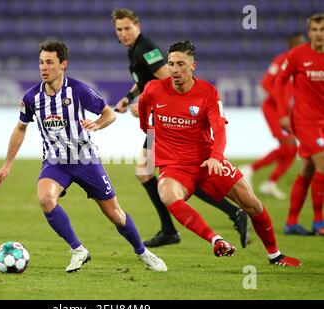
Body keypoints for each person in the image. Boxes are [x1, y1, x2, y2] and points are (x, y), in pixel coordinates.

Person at [0, 41, 167, 273]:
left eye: (50, 62)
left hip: (85, 161)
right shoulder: (32, 97)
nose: (44, 67)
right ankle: (78, 250)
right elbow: (21, 127)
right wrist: (7, 165)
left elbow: (109, 114)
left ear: (63, 64)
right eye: (41, 62)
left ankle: (143, 253)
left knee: (115, 214)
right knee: (45, 198)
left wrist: (97, 124)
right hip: (55, 163)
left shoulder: (78, 90)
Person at [138, 40, 301, 266]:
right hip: (175, 166)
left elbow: (219, 130)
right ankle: (216, 240)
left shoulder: (208, 93)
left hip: (208, 162)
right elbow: (146, 120)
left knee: (252, 204)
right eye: (171, 64)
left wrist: (215, 157)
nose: (175, 70)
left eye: (181, 64)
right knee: (167, 193)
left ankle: (275, 255)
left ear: (193, 66)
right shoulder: (153, 89)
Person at [112, 8, 249, 248]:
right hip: (161, 120)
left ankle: (172, 229)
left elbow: (166, 81)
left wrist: (143, 101)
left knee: (162, 174)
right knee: (153, 174)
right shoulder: (135, 50)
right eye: (119, 29)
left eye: (127, 28)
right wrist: (129, 96)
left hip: (164, 121)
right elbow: (144, 79)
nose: (123, 33)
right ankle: (225, 214)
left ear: (138, 27)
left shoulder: (146, 50)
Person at [239, 33, 305, 200]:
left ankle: (270, 183)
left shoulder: (304, 63)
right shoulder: (281, 60)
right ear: (291, 46)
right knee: (288, 144)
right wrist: (281, 102)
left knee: (291, 149)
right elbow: (266, 83)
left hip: (287, 110)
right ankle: (249, 169)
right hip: (273, 109)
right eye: (298, 44)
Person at [275, 13, 324, 236]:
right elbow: (279, 81)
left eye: (322, 30)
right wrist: (283, 113)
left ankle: (292, 222)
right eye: (314, 30)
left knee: (308, 168)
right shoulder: (297, 55)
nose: (318, 34)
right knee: (322, 163)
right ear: (308, 32)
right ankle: (318, 221)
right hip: (305, 120)